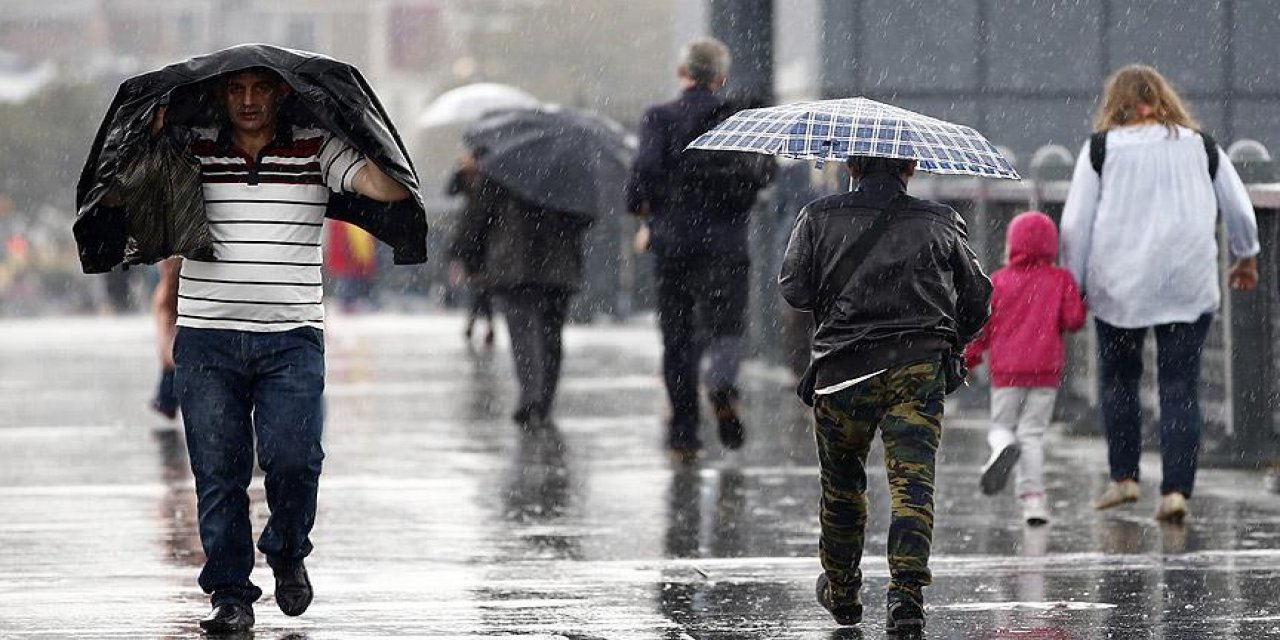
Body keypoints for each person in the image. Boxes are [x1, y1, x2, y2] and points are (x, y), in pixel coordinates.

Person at [162, 67, 411, 633]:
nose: (248, 101)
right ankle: (230, 594)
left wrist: (369, 133)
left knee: (296, 459)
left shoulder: (316, 148)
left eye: (260, 89)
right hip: (207, 338)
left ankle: (288, 548)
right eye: (236, 89)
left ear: (281, 93)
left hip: (291, 339)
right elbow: (125, 191)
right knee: (219, 472)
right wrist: (149, 135)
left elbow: (387, 187)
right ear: (220, 95)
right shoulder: (192, 149)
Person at [779, 155, 991, 633]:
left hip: (842, 371)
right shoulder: (940, 221)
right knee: (912, 484)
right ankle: (907, 596)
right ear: (910, 166)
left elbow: (794, 290)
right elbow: (978, 297)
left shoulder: (817, 216)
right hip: (917, 367)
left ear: (851, 165)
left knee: (842, 485)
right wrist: (950, 342)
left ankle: (843, 591)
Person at [1060, 64, 1260, 524]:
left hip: (1119, 284)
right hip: (1186, 282)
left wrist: (1075, 281)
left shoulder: (1101, 149)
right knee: (1179, 387)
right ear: (1163, 99)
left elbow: (1074, 225)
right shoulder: (1201, 146)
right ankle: (1175, 492)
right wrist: (1246, 254)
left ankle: (1124, 478)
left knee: (1119, 381)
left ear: (1117, 103)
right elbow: (1238, 207)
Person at [625, 37, 772, 460]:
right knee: (727, 324)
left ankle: (684, 434)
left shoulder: (660, 117)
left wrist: (644, 207)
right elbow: (763, 176)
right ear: (721, 78)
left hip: (674, 244)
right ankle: (722, 382)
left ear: (682, 72)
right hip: (727, 244)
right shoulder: (738, 119)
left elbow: (644, 172)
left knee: (678, 339)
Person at [964, 211, 1087, 526]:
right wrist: (1078, 297)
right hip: (1045, 371)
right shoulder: (1060, 279)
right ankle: (1034, 501)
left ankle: (1003, 446)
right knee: (1032, 434)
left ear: (1012, 244)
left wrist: (969, 359)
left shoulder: (998, 281)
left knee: (1002, 426)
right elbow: (1074, 320)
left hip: (1006, 372)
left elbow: (982, 328)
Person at [450, 169, 591, 431]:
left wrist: (468, 255)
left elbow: (479, 214)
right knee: (551, 334)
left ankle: (531, 394)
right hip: (558, 266)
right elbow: (585, 216)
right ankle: (543, 400)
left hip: (514, 264)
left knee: (522, 330)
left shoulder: (503, 166)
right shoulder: (568, 169)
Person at [447, 154, 496, 347]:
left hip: (487, 239)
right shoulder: (465, 179)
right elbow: (451, 190)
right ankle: (482, 324)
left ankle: (476, 323)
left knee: (481, 285)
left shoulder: (490, 179)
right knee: (478, 285)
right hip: (469, 241)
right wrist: (461, 170)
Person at [149, 257, 181, 419]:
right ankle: (166, 401)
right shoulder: (168, 290)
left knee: (170, 366)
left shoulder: (167, 290)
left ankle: (166, 401)